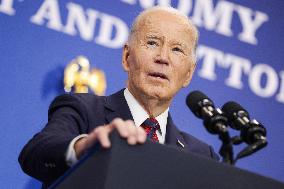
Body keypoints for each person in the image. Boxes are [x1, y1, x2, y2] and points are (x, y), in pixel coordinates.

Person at [19, 6, 218, 188]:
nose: (163, 57)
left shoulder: (201, 156)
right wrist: (84, 147)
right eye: (152, 42)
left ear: (189, 74)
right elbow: (36, 153)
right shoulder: (83, 109)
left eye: (177, 50)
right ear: (126, 57)